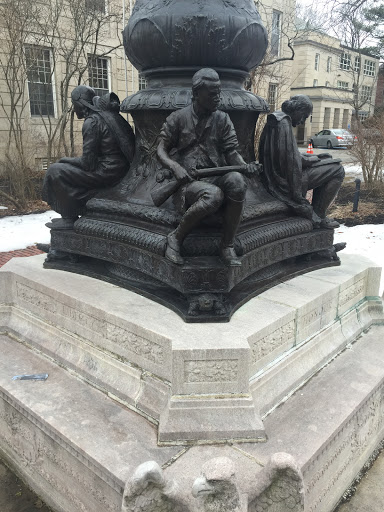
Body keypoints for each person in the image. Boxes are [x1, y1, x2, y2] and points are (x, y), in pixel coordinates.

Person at [156, 68, 259, 266]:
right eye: (212, 94)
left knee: (237, 181)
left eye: (218, 92)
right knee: (213, 195)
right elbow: (160, 149)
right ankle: (175, 239)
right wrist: (175, 167)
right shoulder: (177, 118)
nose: (217, 97)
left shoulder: (222, 119)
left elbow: (231, 152)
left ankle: (227, 245)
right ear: (196, 94)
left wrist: (245, 167)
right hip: (188, 182)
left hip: (215, 175)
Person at [43, 85, 135, 229]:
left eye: (74, 105)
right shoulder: (106, 116)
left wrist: (65, 160)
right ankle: (74, 212)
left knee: (56, 171)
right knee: (62, 168)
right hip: (118, 169)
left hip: (108, 172)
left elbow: (87, 164)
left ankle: (69, 217)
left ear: (81, 104)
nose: (74, 109)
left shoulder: (92, 122)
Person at [259, 94, 345, 228]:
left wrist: (315, 157)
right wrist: (313, 159)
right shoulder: (282, 123)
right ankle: (319, 216)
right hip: (285, 181)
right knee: (337, 170)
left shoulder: (278, 120)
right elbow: (290, 159)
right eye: (304, 116)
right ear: (297, 110)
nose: (303, 121)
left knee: (329, 162)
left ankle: (318, 214)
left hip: (279, 176)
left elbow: (289, 153)